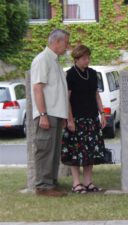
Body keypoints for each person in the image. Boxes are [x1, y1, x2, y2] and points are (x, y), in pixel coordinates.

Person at [61, 44, 107, 194]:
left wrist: (102, 113)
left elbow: (96, 94)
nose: (87, 61)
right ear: (77, 59)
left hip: (91, 118)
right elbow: (66, 99)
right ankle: (76, 184)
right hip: (76, 119)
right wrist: (70, 120)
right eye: (84, 58)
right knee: (75, 152)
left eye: (88, 58)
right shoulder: (70, 75)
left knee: (91, 152)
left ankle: (88, 182)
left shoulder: (93, 73)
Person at [31, 29, 70, 197]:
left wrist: (63, 116)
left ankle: (51, 183)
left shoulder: (54, 61)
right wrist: (43, 115)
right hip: (47, 114)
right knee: (45, 149)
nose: (67, 47)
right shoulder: (42, 60)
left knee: (53, 151)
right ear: (57, 42)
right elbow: (37, 88)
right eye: (66, 43)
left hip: (56, 114)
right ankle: (43, 186)